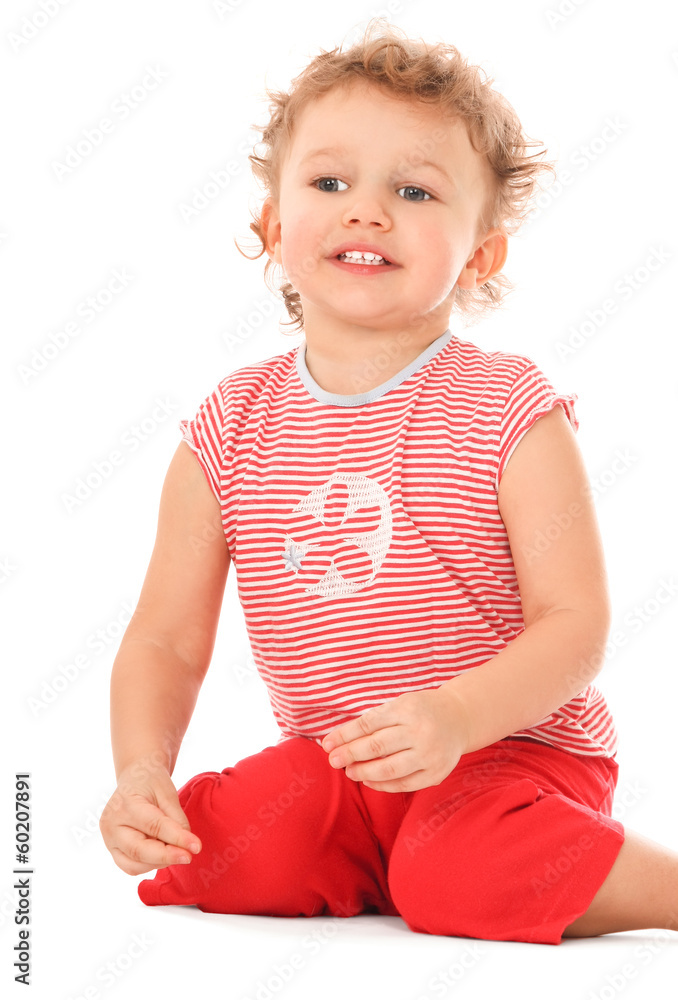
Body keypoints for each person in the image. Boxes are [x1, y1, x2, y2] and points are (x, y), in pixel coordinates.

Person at [99, 19, 678, 945]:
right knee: (215, 848)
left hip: (513, 758)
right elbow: (165, 640)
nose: (366, 210)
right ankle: (395, 865)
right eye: (330, 183)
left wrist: (458, 715)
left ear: (481, 254)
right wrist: (139, 773)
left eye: (413, 190)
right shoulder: (230, 426)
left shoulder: (506, 407)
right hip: (344, 769)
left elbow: (577, 628)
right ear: (273, 225)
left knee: (460, 871)